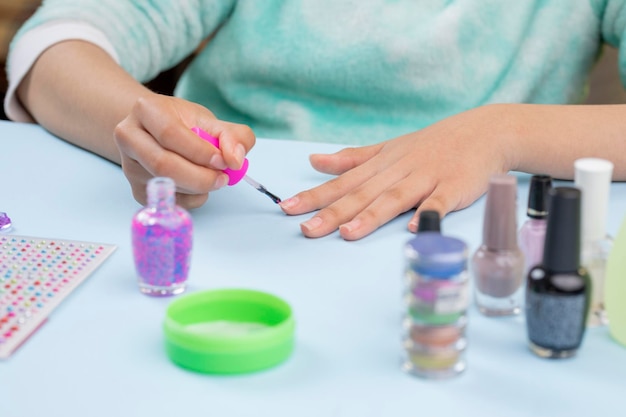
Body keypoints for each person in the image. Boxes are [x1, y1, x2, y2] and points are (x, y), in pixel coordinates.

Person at [4, 1, 626, 241]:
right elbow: (55, 46)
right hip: (230, 232)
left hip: (477, 248)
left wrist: (501, 132)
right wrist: (148, 133)